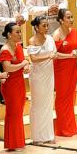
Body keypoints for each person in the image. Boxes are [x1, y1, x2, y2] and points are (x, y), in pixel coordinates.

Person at [27, 15, 57, 145]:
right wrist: (48, 56)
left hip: (49, 73)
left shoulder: (50, 39)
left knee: (48, 103)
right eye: (43, 25)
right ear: (36, 27)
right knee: (38, 104)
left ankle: (48, 135)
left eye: (47, 25)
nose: (46, 28)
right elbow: (33, 58)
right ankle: (38, 137)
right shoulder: (32, 41)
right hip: (37, 76)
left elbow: (54, 53)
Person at [0, 23, 29, 151]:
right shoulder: (5, 49)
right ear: (9, 34)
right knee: (13, 113)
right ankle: (12, 142)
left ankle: (17, 141)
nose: (20, 34)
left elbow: (23, 62)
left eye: (20, 31)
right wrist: (23, 64)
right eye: (17, 32)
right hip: (10, 85)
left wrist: (26, 67)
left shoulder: (18, 46)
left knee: (18, 112)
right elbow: (7, 68)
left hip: (19, 82)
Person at [52, 9, 77, 137]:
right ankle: (62, 128)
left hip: (72, 67)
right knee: (62, 96)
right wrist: (70, 55)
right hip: (61, 69)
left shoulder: (74, 32)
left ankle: (70, 127)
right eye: (68, 17)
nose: (71, 19)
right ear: (61, 20)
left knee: (70, 96)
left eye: (72, 17)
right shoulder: (56, 35)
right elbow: (55, 54)